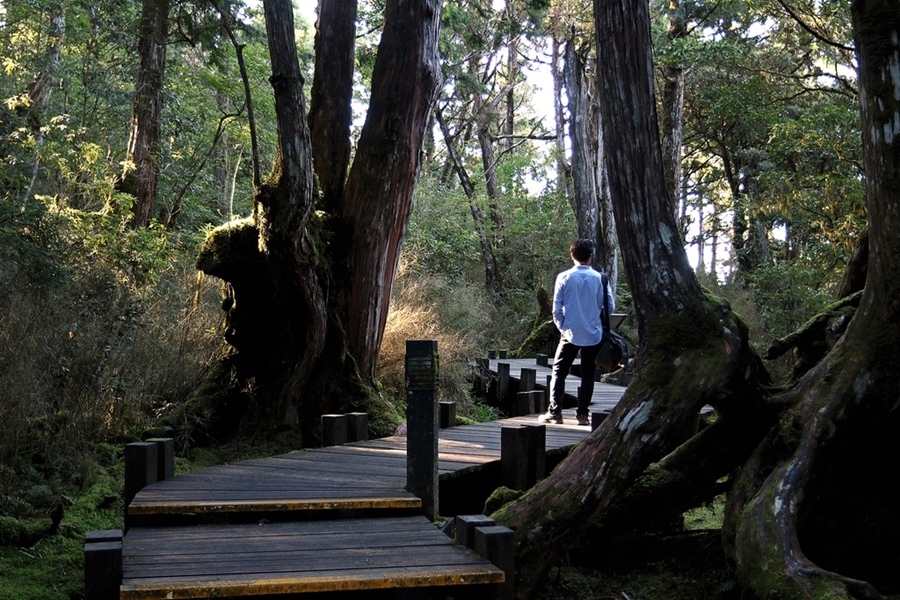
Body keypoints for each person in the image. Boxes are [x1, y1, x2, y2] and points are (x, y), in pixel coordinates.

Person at [538, 238, 614, 426]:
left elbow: (556, 308)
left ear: (572, 255)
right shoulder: (600, 278)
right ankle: (582, 415)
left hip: (569, 333)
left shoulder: (564, 277)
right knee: (588, 374)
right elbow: (610, 307)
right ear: (590, 256)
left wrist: (563, 326)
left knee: (559, 371)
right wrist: (595, 318)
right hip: (593, 334)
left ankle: (555, 412)